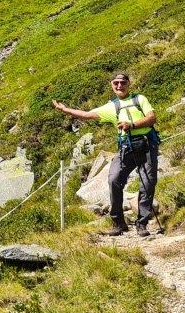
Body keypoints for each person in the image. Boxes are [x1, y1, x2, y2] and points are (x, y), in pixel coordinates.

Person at [52, 72, 159, 236]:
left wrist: (132, 125)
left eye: (122, 82)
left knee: (147, 183)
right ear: (112, 85)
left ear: (128, 84)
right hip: (126, 148)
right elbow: (87, 115)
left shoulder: (140, 99)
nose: (119, 86)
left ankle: (142, 224)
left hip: (146, 145)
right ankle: (118, 222)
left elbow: (152, 118)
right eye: (116, 83)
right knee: (114, 179)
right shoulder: (112, 106)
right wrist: (65, 109)